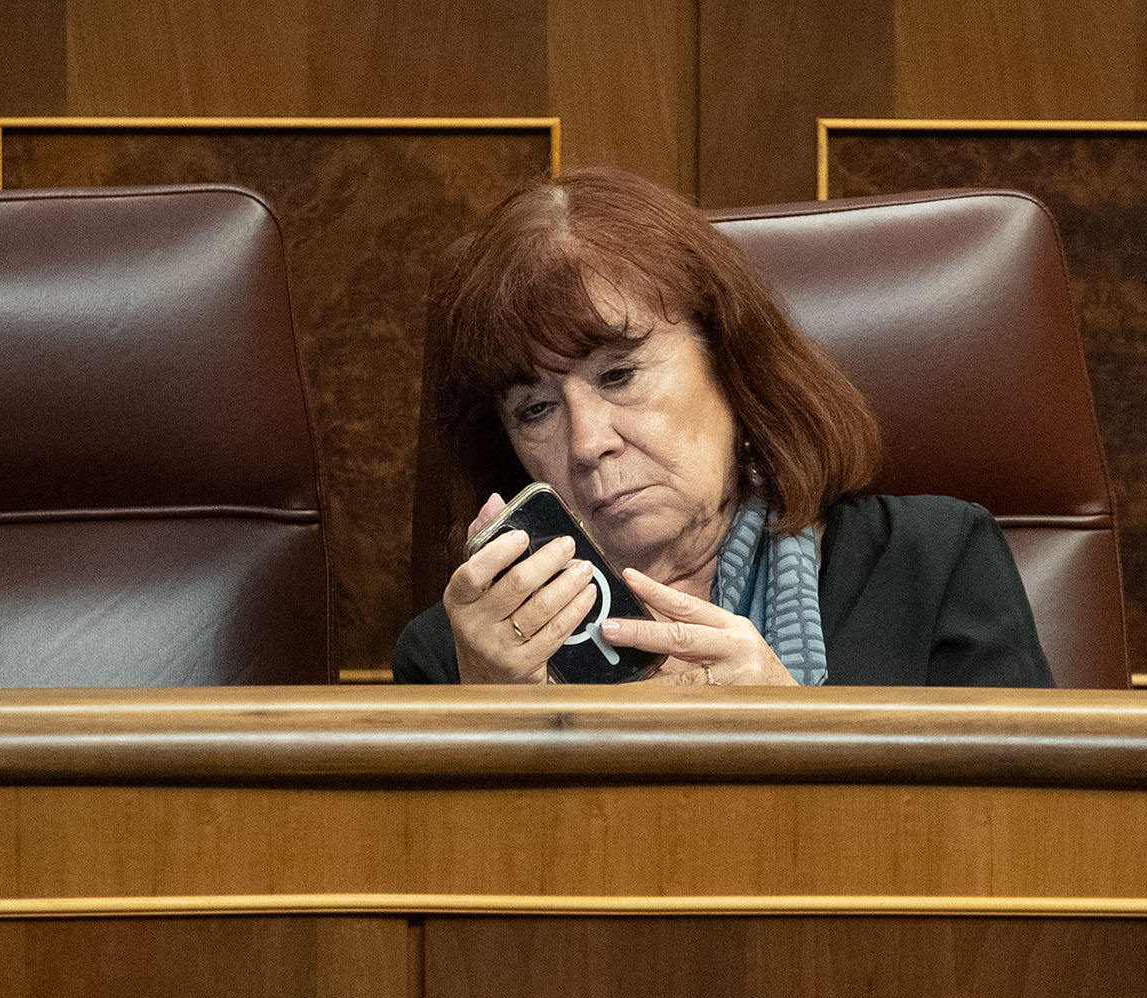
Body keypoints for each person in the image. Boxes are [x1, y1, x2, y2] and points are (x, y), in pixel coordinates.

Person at [394, 167, 1051, 688]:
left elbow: (1018, 844)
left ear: (730, 367)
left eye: (619, 375)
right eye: (535, 410)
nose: (589, 441)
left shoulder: (935, 563)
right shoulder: (453, 650)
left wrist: (790, 734)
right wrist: (488, 713)